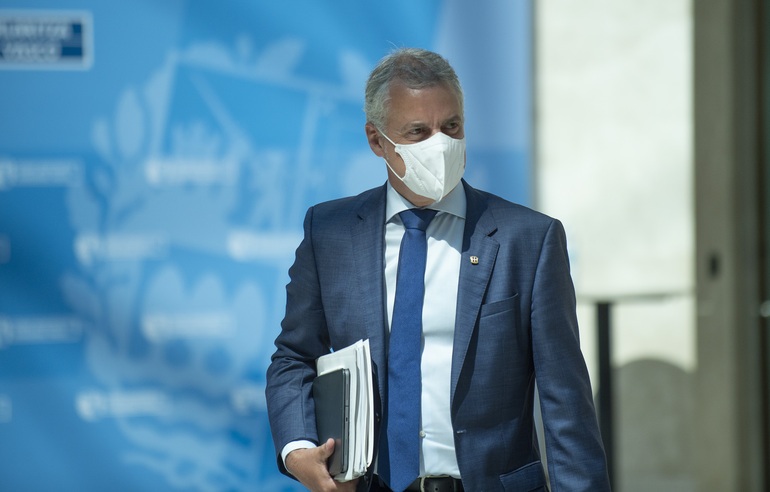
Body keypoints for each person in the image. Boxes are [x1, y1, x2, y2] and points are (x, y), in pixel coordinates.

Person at [266, 47, 611, 492]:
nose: (440, 144)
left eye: (451, 127)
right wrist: (297, 449)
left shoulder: (528, 239)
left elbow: (565, 401)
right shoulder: (330, 233)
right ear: (377, 141)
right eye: (418, 131)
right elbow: (294, 357)